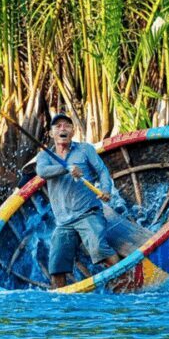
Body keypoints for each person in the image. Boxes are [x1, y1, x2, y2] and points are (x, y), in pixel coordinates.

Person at [35, 113, 120, 289]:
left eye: (67, 125)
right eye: (58, 126)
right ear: (51, 134)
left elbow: (103, 171)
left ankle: (127, 282)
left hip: (88, 213)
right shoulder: (45, 156)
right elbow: (42, 172)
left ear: (73, 131)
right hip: (63, 221)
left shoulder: (85, 150)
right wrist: (66, 168)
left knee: (98, 248)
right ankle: (61, 303)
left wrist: (105, 190)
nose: (62, 129)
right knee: (57, 267)